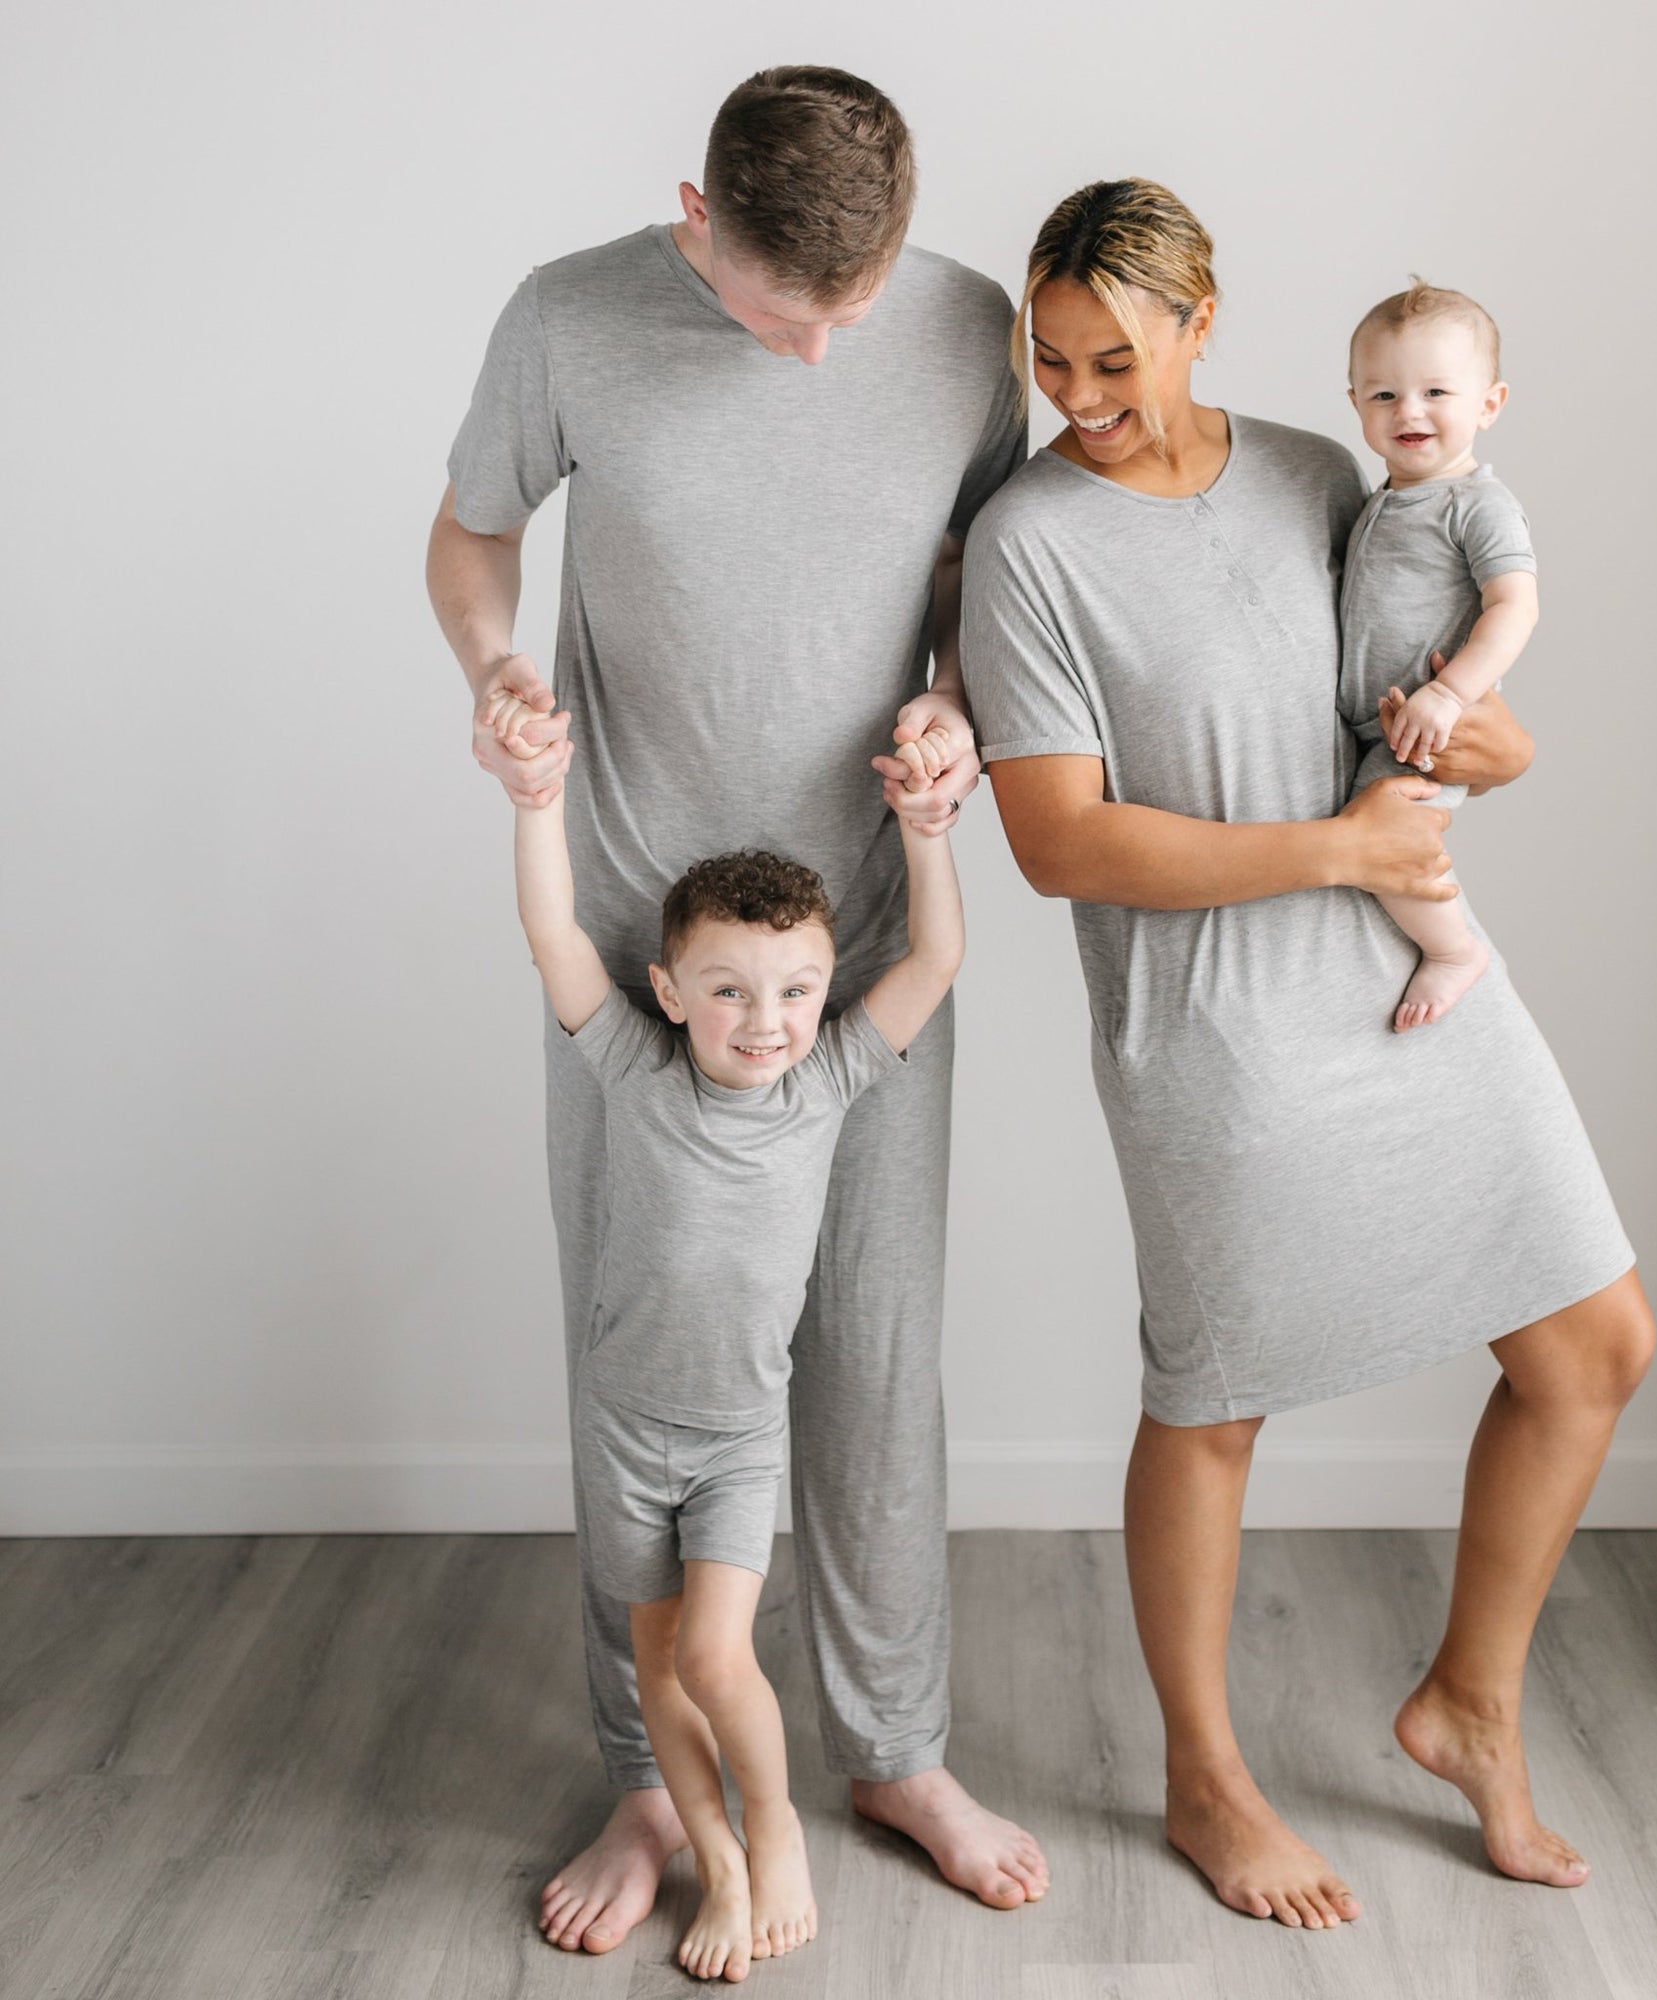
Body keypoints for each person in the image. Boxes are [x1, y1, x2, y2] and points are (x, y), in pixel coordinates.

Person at [959, 178, 1654, 1931]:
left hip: (1404, 976)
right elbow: (1060, 843)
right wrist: (1337, 851)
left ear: (1204, 320)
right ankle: (1206, 1781)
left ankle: (1468, 1705)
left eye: (1115, 356)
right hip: (1217, 1039)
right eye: (1051, 359)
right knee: (1214, 1399)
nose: (1079, 394)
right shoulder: (1028, 543)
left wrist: (1478, 747)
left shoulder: (1318, 472)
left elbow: (1411, 708)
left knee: (1594, 1344)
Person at [426, 66, 1047, 1953]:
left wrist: (956, 696)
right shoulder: (568, 316)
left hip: (860, 939)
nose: (829, 343)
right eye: (795, 306)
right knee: (646, 1366)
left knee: (874, 1353)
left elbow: (979, 570)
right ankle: (643, 1771)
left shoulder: (957, 325)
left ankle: (896, 1746)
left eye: (856, 306)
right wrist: (493, 669)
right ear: (698, 213)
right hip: (631, 948)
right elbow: (470, 542)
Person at [501, 684, 964, 1981]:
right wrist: (539, 803)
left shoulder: (826, 1084)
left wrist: (926, 831)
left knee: (716, 1651)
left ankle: (778, 1831)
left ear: (823, 994)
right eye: (730, 991)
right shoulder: (636, 1071)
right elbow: (550, 931)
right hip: (624, 1427)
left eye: (795, 990)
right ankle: (717, 1859)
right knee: (660, 1672)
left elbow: (930, 965)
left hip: (735, 1437)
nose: (766, 1020)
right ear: (669, 988)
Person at [1340, 280, 1539, 1031]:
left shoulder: (1477, 505)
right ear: (1356, 404)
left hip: (1424, 733)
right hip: (1373, 723)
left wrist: (1450, 696)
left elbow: (1515, 607)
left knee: (1385, 846)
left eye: (1435, 392)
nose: (1409, 412)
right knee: (1370, 842)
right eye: (1384, 395)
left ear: (1488, 404)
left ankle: (1455, 950)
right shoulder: (1378, 499)